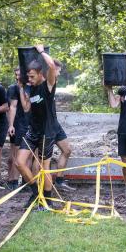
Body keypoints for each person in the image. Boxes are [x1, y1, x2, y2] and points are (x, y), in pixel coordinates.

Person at [16, 44, 58, 209]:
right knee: (20, 162)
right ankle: (35, 193)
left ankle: (47, 200)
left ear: (41, 74)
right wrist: (21, 89)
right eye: (29, 77)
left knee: (44, 166)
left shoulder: (48, 85)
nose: (30, 80)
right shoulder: (32, 88)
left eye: (33, 77)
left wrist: (41, 51)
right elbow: (26, 108)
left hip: (47, 131)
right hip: (33, 130)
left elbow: (52, 66)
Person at [51, 59, 76, 191]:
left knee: (67, 150)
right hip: (45, 127)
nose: (59, 73)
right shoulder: (45, 82)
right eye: (58, 70)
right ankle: (36, 186)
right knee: (41, 158)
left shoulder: (53, 83)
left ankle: (59, 181)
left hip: (55, 124)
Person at [6, 67, 29, 190]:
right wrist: (11, 125)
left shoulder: (32, 86)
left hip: (31, 124)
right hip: (18, 124)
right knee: (16, 153)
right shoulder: (12, 88)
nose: (17, 77)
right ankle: (13, 181)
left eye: (19, 74)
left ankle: (26, 181)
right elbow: (12, 107)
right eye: (16, 74)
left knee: (29, 154)